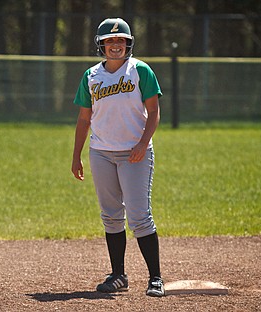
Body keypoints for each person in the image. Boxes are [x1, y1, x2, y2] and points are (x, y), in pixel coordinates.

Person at [71, 18, 164, 297]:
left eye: (120, 40)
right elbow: (84, 118)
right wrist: (76, 156)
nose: (115, 45)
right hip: (101, 152)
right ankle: (118, 275)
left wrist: (142, 143)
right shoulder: (91, 76)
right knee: (111, 216)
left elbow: (154, 112)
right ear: (101, 45)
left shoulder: (140, 71)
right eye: (110, 41)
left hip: (134, 154)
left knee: (139, 217)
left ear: (128, 44)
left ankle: (155, 278)